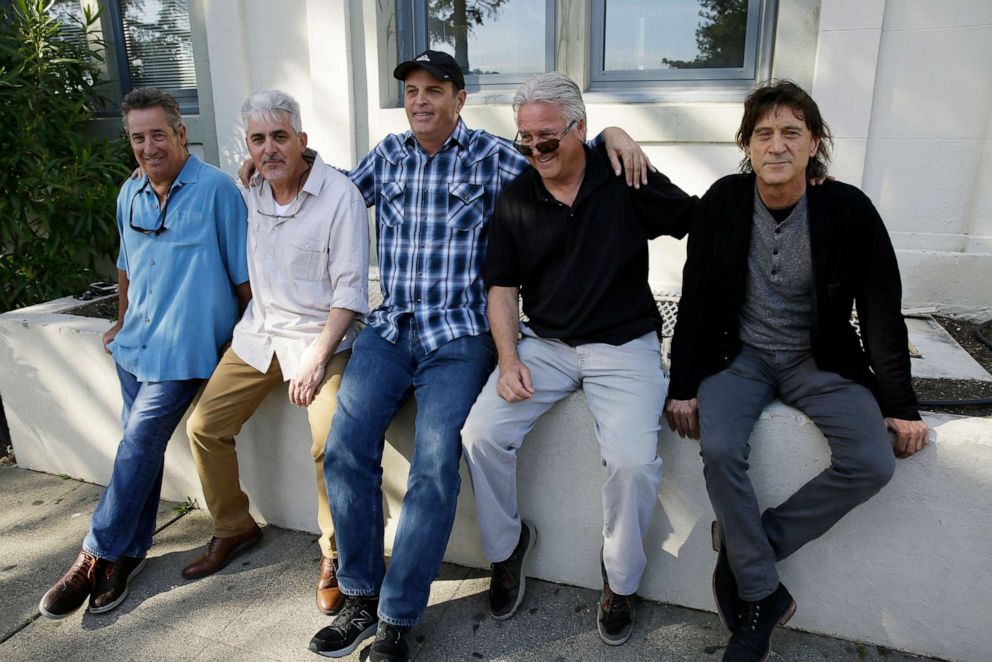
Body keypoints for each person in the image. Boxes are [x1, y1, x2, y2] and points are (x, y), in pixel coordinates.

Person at [307, 50, 651, 662]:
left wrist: (610, 132)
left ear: (459, 99)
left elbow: (561, 152)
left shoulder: (498, 157)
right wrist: (281, 161)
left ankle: (397, 616)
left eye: (433, 90)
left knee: (438, 459)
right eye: (411, 90)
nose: (420, 101)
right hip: (390, 329)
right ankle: (360, 591)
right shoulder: (387, 155)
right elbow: (329, 195)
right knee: (343, 448)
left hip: (460, 337)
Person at [666, 80, 929, 662]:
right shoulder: (723, 202)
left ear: (814, 143)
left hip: (820, 360)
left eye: (791, 132)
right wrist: (682, 385)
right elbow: (697, 301)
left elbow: (881, 310)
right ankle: (762, 594)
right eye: (764, 134)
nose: (777, 145)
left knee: (871, 460)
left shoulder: (847, 209)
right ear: (748, 145)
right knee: (720, 447)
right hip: (742, 358)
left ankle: (745, 547)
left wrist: (900, 404)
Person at [459, 72, 696, 647]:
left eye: (548, 139)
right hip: (546, 346)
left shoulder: (621, 174)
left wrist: (623, 136)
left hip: (626, 346)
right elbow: (501, 288)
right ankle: (506, 546)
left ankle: (621, 580)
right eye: (526, 140)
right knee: (480, 433)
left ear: (580, 129)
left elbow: (697, 220)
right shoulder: (516, 198)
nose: (536, 151)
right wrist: (508, 357)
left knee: (633, 463)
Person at [38, 88, 250, 619]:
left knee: (135, 444)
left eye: (159, 134)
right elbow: (126, 264)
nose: (149, 146)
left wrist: (243, 344)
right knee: (142, 450)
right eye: (138, 137)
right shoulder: (128, 192)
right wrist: (121, 318)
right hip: (136, 348)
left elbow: (245, 280)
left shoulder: (219, 191)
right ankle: (125, 559)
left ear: (181, 133)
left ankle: (94, 552)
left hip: (187, 351)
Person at [182, 90, 369, 617]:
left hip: (321, 339)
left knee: (329, 443)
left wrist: (315, 361)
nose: (270, 149)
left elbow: (350, 295)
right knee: (204, 427)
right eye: (258, 140)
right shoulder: (250, 189)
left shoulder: (340, 197)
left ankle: (334, 554)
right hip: (259, 335)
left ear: (303, 141)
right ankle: (233, 526)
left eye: (280, 137)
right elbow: (198, 175)